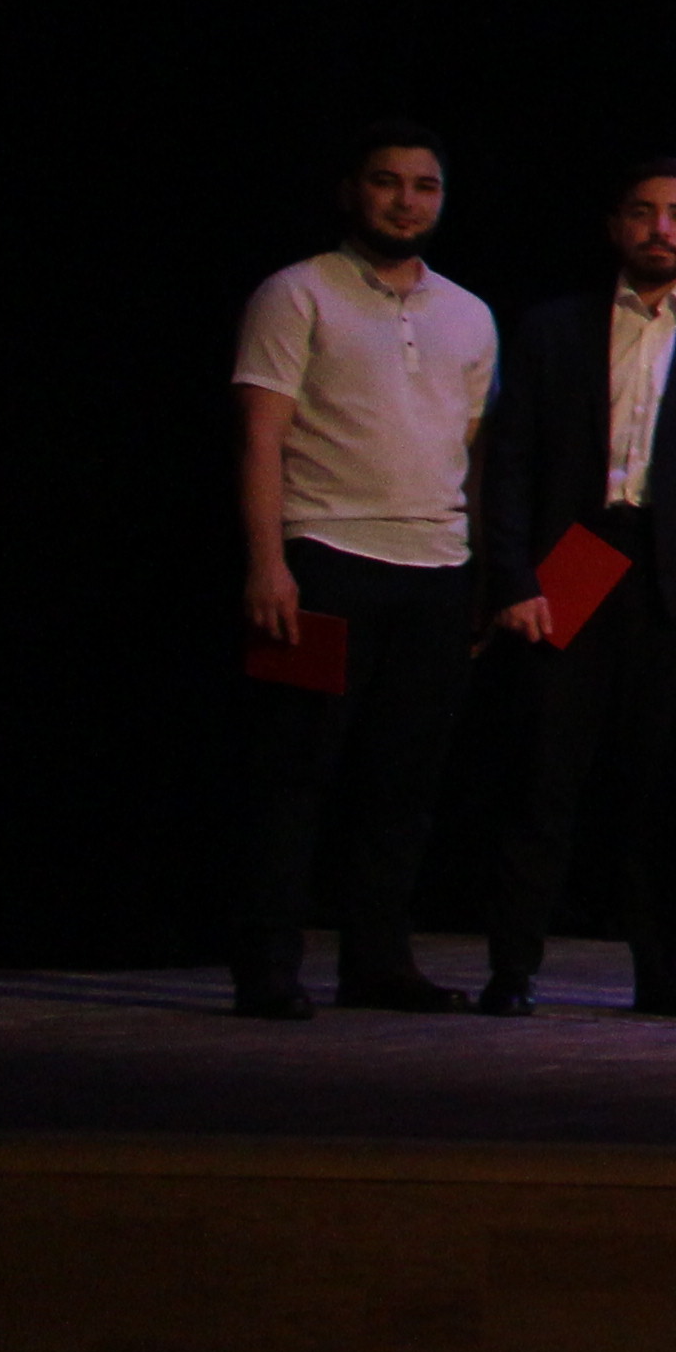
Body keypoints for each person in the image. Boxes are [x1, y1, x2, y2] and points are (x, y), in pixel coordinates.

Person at [227, 127, 505, 1019]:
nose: (406, 201)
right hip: (324, 559)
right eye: (388, 183)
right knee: (294, 772)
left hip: (435, 570)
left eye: (425, 186)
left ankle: (377, 961)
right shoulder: (297, 291)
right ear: (354, 191)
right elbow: (260, 437)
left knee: (404, 781)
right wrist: (268, 563)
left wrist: (478, 575)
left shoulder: (469, 313)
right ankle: (269, 965)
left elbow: (473, 453)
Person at [470, 159, 676, 1018]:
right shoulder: (555, 327)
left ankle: (661, 973)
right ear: (615, 226)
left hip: (673, 573)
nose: (660, 229)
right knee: (543, 776)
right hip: (576, 561)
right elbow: (509, 462)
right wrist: (513, 579)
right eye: (643, 212)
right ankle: (512, 968)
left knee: (661, 790)